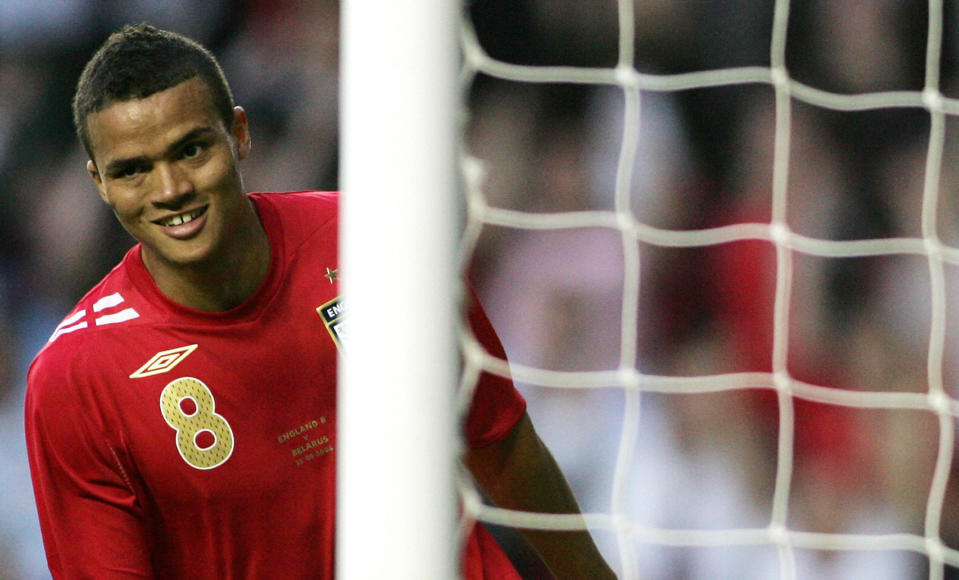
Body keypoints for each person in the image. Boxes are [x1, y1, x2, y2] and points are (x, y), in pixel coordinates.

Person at [24, 23, 614, 579]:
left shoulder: (373, 237)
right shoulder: (76, 379)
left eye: (191, 150)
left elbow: (499, 440)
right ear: (99, 182)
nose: (171, 189)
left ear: (240, 133)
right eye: (132, 171)